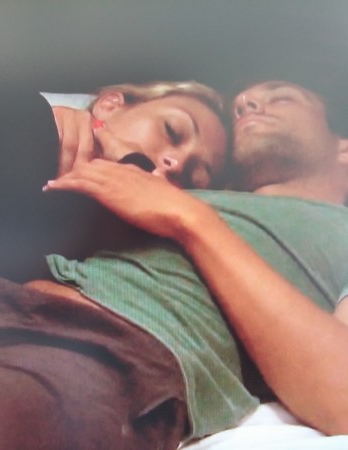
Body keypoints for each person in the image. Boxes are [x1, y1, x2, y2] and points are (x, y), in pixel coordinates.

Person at [42, 80, 348, 440]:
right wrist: (62, 131)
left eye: (282, 97)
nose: (245, 102)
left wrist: (191, 219)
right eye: (241, 106)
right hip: (11, 299)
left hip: (99, 355)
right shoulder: (177, 187)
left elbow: (342, 399)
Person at [0, 80, 228, 282]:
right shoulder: (27, 120)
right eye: (172, 131)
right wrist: (133, 163)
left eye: (192, 177)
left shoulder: (123, 245)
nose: (175, 163)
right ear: (109, 105)